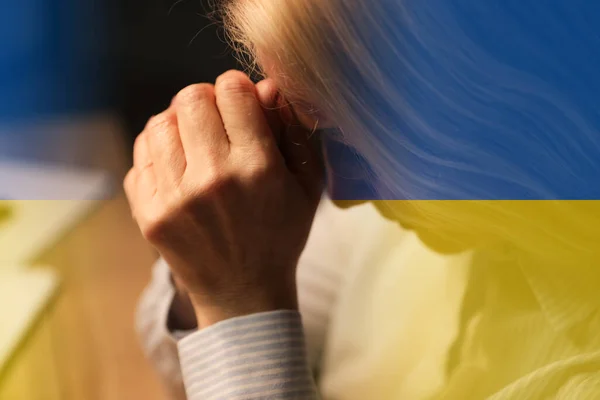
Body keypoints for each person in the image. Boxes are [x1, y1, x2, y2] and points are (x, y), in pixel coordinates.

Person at [124, 1, 600, 399]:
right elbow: (188, 372)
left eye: (353, 139)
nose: (340, 194)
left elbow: (231, 343)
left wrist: (237, 301)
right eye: (320, 133)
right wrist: (215, 263)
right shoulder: (424, 214)